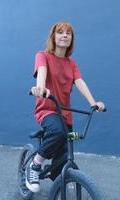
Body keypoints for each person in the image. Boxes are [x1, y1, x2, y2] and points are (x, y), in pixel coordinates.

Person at [26, 21, 106, 193]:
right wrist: (40, 88)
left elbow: (79, 82)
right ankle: (35, 164)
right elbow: (42, 72)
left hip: (65, 114)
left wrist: (93, 103)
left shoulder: (71, 63)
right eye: (60, 32)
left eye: (68, 33)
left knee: (61, 162)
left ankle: (59, 183)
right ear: (53, 37)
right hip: (47, 109)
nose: (64, 35)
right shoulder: (42, 55)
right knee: (57, 132)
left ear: (71, 39)